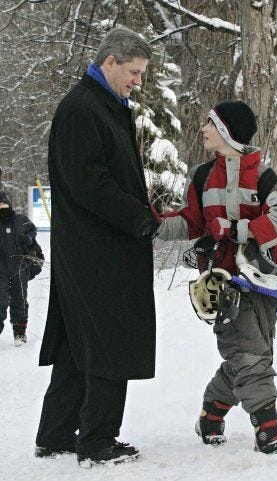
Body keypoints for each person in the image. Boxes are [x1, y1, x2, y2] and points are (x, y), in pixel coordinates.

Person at [35, 27, 161, 467]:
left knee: (76, 342)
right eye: (134, 72)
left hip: (91, 249)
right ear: (109, 62)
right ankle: (97, 440)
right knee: (109, 337)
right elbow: (90, 182)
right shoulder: (84, 108)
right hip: (99, 251)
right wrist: (139, 218)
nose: (138, 81)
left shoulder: (101, 105)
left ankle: (54, 434)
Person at [157, 100, 277, 454]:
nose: (203, 129)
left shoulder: (264, 175)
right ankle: (268, 429)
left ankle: (212, 412)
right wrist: (152, 223)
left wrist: (239, 229)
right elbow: (191, 222)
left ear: (226, 131)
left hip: (265, 278)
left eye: (210, 123)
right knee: (249, 355)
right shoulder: (202, 175)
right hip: (222, 282)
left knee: (253, 355)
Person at [0, 191, 38, 346]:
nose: (2, 208)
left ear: (9, 204)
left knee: (19, 298)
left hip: (19, 266)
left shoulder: (21, 220)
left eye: (3, 204)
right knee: (0, 300)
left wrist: (29, 239)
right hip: (0, 268)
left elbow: (32, 231)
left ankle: (19, 333)